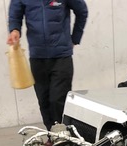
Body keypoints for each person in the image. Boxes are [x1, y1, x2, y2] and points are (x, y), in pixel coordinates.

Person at [7, 0, 88, 130]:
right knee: (43, 100)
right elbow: (15, 15)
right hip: (37, 56)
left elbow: (82, 11)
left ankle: (62, 133)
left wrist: (75, 38)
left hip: (61, 57)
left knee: (58, 99)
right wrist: (14, 30)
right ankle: (51, 133)